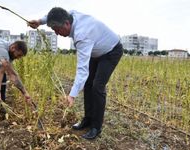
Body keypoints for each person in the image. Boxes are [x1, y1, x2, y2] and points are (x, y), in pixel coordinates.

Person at [28, 7, 123, 139]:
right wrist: (39, 21)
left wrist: (72, 96)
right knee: (88, 84)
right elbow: (55, 14)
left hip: (111, 51)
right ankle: (88, 119)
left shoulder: (82, 35)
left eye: (57, 30)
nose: (56, 33)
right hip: (96, 51)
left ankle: (96, 127)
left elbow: (82, 71)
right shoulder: (70, 15)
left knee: (97, 87)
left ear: (67, 23)